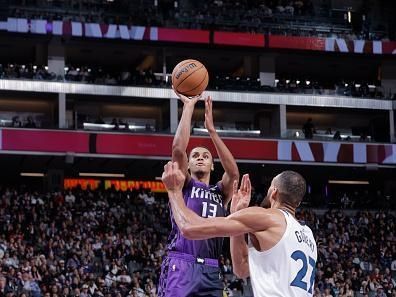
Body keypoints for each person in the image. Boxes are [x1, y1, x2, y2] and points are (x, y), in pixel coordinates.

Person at [161, 161, 317, 297]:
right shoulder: (308, 236)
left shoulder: (267, 217)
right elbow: (241, 269)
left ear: (274, 192)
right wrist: (236, 215)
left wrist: (174, 191)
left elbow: (189, 228)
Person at [157, 90, 239, 297]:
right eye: (195, 156)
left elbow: (233, 172)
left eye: (205, 156)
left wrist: (212, 131)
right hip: (182, 262)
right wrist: (189, 106)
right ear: (189, 164)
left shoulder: (220, 192)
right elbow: (177, 149)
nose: (200, 158)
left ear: (212, 166)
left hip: (212, 268)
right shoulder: (184, 185)